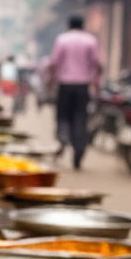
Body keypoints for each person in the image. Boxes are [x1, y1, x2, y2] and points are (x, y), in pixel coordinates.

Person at [47, 15, 102, 169]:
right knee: (80, 118)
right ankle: (79, 150)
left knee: (63, 116)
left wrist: (50, 83)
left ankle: (63, 140)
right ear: (83, 25)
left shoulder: (62, 39)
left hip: (65, 86)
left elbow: (53, 64)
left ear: (69, 25)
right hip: (83, 87)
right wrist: (96, 85)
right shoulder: (91, 40)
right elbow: (97, 65)